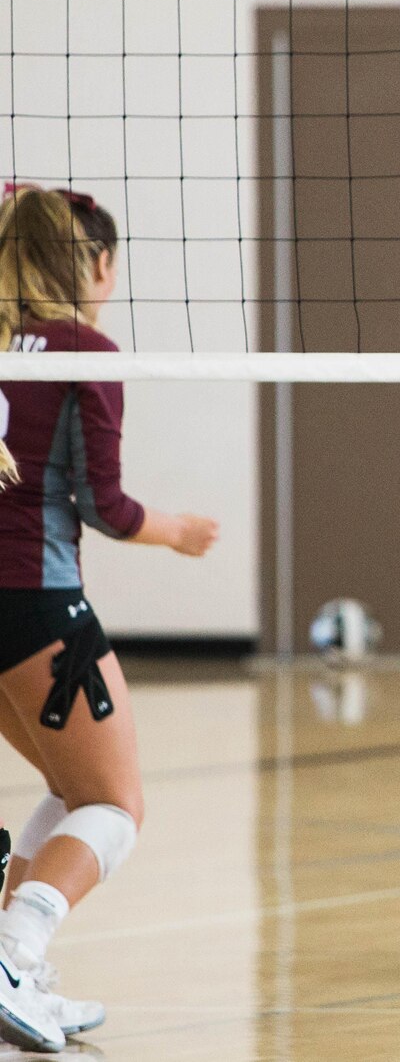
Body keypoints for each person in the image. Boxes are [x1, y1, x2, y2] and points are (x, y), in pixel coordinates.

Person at [0, 185, 219, 1051]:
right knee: (117, 806)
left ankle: (14, 964)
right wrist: (176, 533)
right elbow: (105, 503)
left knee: (71, 789)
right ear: (95, 264)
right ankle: (14, 952)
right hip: (39, 608)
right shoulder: (82, 348)